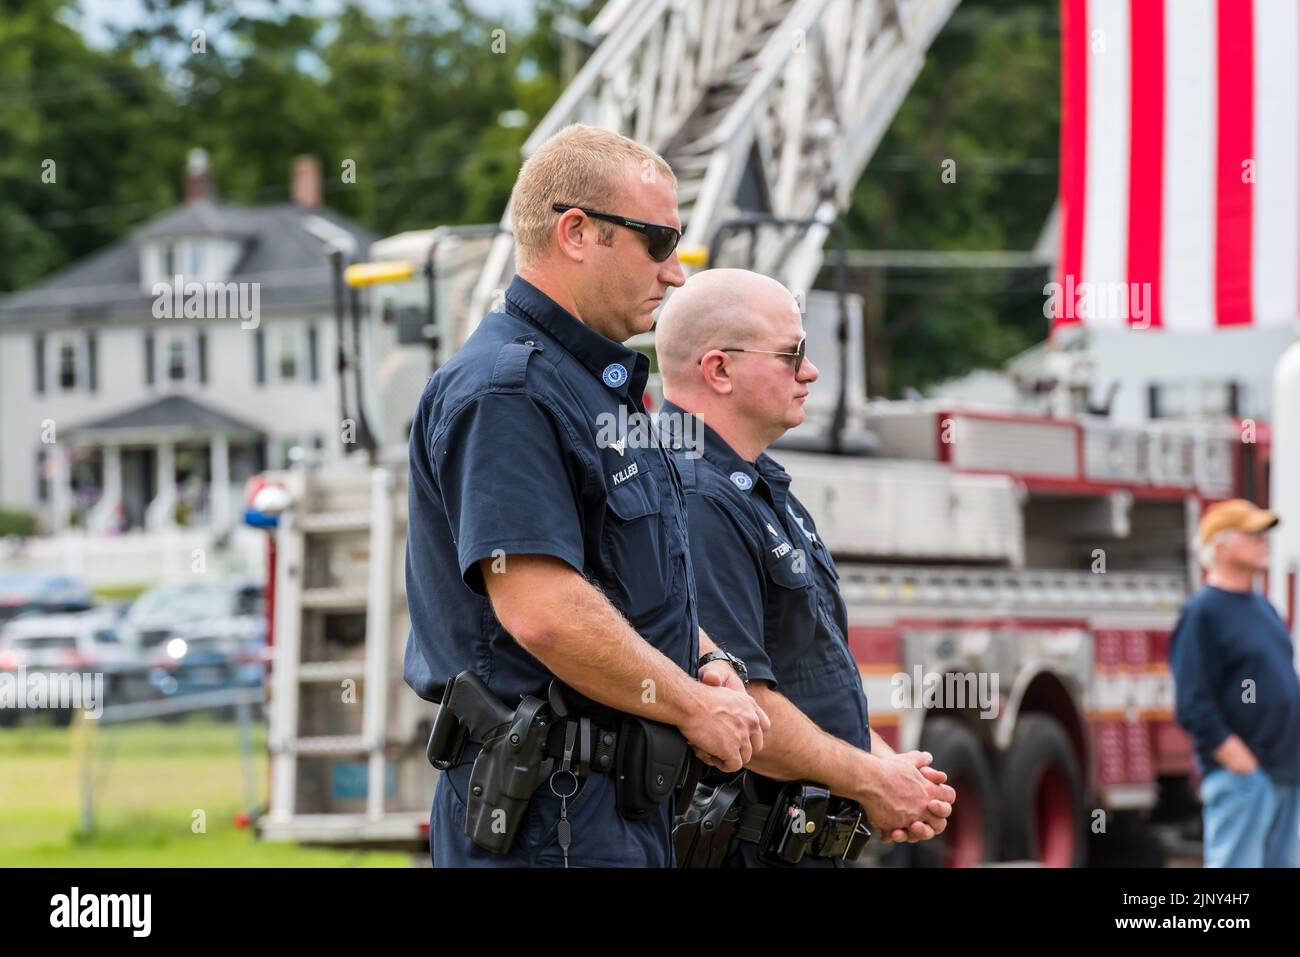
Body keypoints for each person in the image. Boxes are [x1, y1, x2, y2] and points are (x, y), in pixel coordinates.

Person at [403, 125, 770, 868]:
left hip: (605, 808)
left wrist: (705, 658)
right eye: (659, 241)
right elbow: (543, 612)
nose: (675, 273)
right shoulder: (508, 390)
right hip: (547, 818)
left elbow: (621, 586)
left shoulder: (589, 387)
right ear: (577, 231)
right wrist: (696, 707)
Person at [655, 268, 955, 867]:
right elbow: (746, 707)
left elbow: (807, 673)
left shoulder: (756, 487)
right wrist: (871, 781)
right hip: (745, 846)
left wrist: (885, 768)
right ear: (719, 370)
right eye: (792, 355)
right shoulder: (696, 497)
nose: (810, 372)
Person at [1171, 498, 1300, 867]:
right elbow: (1193, 703)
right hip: (1244, 779)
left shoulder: (1263, 608)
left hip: (1284, 773)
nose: (1264, 543)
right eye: (1253, 535)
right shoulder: (1203, 613)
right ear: (1221, 546)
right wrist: (1240, 763)